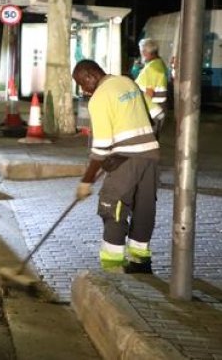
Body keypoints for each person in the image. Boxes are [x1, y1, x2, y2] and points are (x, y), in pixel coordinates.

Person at [72, 59, 160, 274]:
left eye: (82, 84)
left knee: (112, 208)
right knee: (144, 208)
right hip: (151, 156)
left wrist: (86, 181)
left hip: (127, 160)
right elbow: (158, 113)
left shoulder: (99, 98)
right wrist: (145, 142)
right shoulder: (127, 82)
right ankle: (140, 263)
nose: (83, 90)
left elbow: (101, 148)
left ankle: (113, 269)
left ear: (91, 76)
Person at [135, 39, 169, 137]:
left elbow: (148, 94)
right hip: (159, 108)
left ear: (145, 52)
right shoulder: (159, 63)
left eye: (141, 51)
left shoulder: (151, 68)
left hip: (151, 111)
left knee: (148, 139)